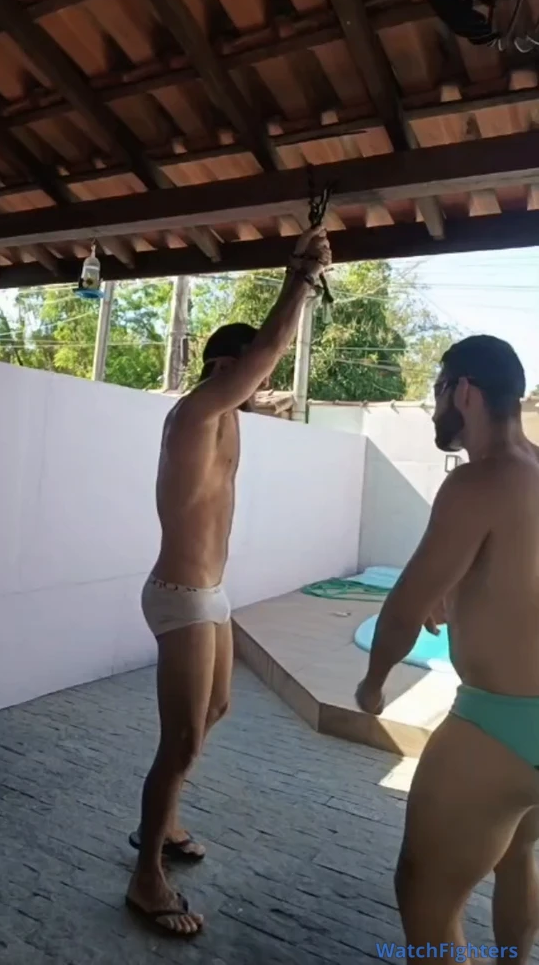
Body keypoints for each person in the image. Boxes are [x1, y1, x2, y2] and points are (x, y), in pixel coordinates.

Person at [126, 227, 332, 937]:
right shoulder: (195, 413)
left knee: (214, 711)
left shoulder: (228, 419)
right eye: (250, 377)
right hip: (179, 597)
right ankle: (145, 876)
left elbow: (262, 375)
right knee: (181, 739)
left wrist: (263, 397)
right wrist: (300, 279)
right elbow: (267, 351)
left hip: (211, 595)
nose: (259, 388)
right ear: (227, 367)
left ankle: (166, 820)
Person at [355, 335, 539, 965]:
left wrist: (374, 682)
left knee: (424, 895)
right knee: (517, 851)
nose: (434, 406)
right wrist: (461, 595)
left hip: (499, 725)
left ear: (464, 392)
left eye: (436, 390)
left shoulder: (478, 480)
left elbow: (404, 607)